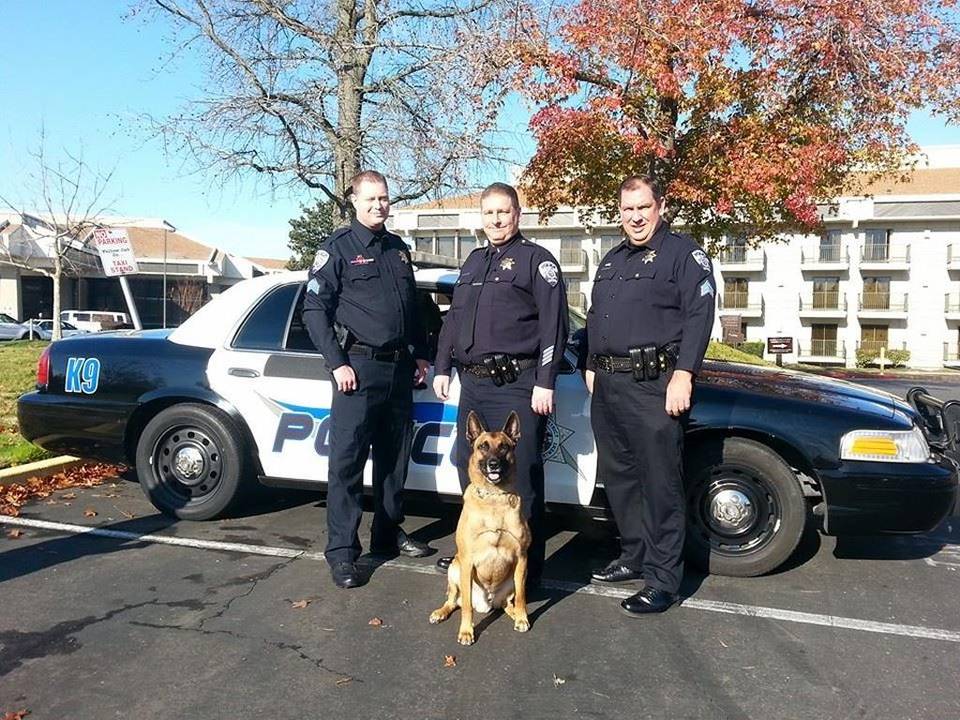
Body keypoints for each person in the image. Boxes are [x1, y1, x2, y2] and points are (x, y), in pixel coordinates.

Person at [585, 175, 716, 615]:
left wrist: (684, 373)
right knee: (621, 479)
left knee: (660, 483)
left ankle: (662, 580)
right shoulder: (612, 260)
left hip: (654, 384)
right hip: (609, 386)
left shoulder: (683, 255)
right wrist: (590, 363)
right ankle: (634, 555)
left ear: (660, 206)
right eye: (628, 209)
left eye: (643, 207)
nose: (636, 217)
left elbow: (700, 314)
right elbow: (596, 316)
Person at [302, 170, 433, 589]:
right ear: (355, 202)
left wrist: (421, 353)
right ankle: (342, 553)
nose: (379, 205)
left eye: (384, 198)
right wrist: (336, 362)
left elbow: (412, 309)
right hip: (357, 370)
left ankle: (387, 533)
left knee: (395, 462)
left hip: (398, 371)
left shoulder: (398, 249)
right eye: (371, 199)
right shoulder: (338, 248)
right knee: (347, 464)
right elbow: (314, 310)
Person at [433, 182, 569, 585]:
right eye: (489, 213)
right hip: (473, 385)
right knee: (471, 471)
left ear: (517, 214)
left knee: (521, 476)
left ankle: (527, 572)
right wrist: (442, 366)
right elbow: (453, 320)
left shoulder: (536, 260)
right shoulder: (473, 262)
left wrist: (545, 380)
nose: (496, 220)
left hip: (517, 384)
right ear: (482, 217)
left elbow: (555, 325)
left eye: (503, 212)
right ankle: (475, 556)